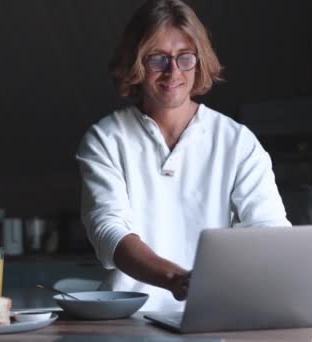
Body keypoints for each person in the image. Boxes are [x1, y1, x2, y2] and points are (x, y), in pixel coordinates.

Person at [75, 0, 291, 312]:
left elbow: (271, 230)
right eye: (157, 59)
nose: (173, 71)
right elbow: (110, 232)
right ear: (136, 63)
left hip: (213, 314)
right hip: (128, 320)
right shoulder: (105, 139)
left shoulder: (237, 142)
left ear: (199, 61)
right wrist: (177, 279)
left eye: (184, 57)